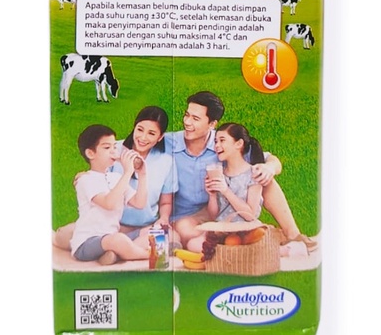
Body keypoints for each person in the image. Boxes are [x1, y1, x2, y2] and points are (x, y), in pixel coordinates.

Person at [168, 91, 316, 252]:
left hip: (221, 205)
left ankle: (292, 234)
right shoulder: (169, 142)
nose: (187, 122)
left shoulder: (222, 143)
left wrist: (269, 168)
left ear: (212, 124)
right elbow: (147, 140)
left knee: (263, 177)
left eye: (195, 118)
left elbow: (271, 159)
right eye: (187, 115)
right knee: (185, 229)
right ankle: (244, 242)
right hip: (190, 215)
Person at [69, 124, 153, 266]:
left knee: (150, 231)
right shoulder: (85, 180)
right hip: (87, 242)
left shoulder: (115, 178)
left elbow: (139, 203)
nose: (113, 151)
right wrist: (128, 172)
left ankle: (115, 254)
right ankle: (150, 255)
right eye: (107, 148)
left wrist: (142, 175)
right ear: (90, 153)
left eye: (114, 147)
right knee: (118, 240)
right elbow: (109, 203)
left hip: (111, 237)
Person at [186, 123, 264, 254]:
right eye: (216, 141)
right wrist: (211, 195)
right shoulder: (219, 172)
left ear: (238, 144)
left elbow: (250, 215)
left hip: (245, 228)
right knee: (193, 244)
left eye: (222, 140)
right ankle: (230, 252)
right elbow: (214, 215)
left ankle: (230, 252)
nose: (217, 145)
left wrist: (225, 191)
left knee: (246, 241)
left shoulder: (253, 173)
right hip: (222, 229)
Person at [113, 106, 176, 232]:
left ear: (160, 137)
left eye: (151, 133)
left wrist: (164, 218)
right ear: (134, 127)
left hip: (146, 227)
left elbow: (166, 202)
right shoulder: (114, 150)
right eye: (140, 130)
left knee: (169, 238)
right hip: (112, 225)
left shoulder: (166, 161)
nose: (143, 137)